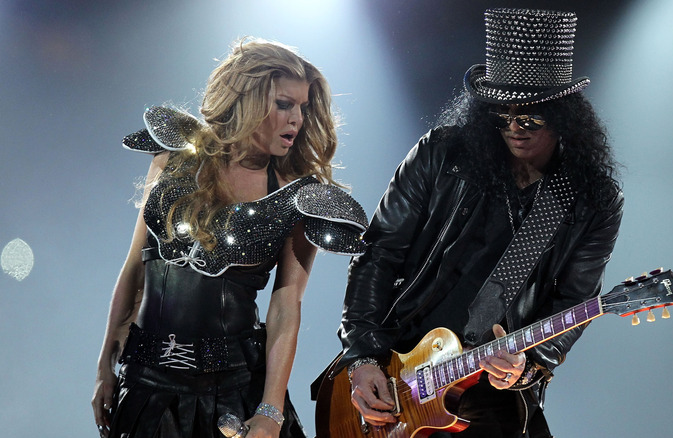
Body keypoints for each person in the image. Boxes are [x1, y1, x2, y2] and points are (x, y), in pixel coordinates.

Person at [330, 8, 622, 438]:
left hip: (490, 389)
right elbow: (379, 254)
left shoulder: (592, 199)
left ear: (566, 116)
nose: (514, 129)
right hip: (400, 362)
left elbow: (573, 303)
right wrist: (362, 358)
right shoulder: (441, 154)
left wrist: (527, 367)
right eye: (501, 116)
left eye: (530, 118)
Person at [91, 38, 367, 438]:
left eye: (304, 108)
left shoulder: (298, 195)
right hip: (145, 388)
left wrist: (271, 411)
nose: (298, 120)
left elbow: (286, 308)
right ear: (247, 98)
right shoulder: (172, 157)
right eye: (285, 104)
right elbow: (136, 267)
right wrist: (103, 367)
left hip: (233, 394)